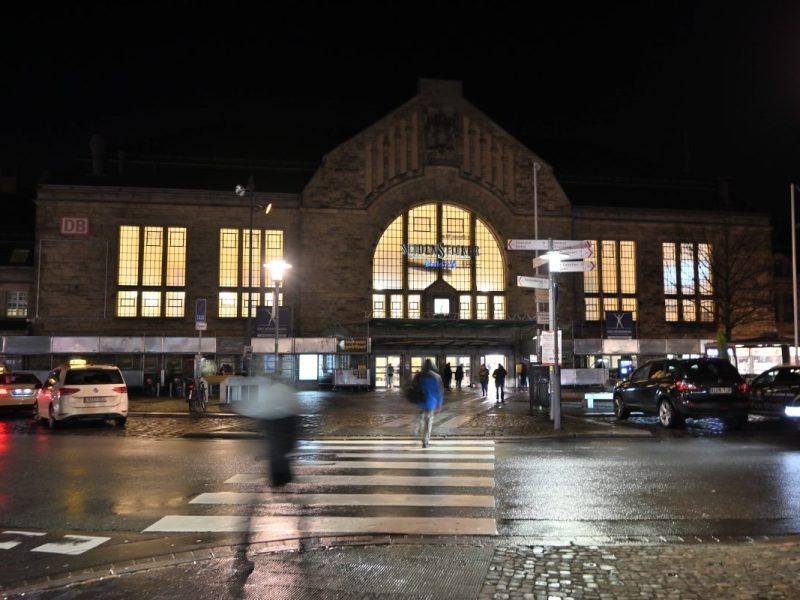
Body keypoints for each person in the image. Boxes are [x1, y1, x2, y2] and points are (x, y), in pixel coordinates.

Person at [415, 358, 444, 448]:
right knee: (428, 422)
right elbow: (439, 391)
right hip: (431, 402)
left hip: (421, 402)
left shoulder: (419, 376)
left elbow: (415, 388)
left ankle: (419, 429)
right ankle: (425, 440)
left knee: (421, 418)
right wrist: (439, 403)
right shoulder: (436, 377)